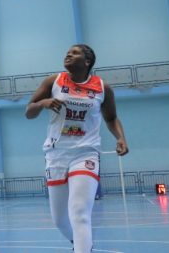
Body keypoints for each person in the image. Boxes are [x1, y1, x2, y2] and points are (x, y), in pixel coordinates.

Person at [25, 44, 129, 253]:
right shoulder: (53, 81)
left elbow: (111, 118)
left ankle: (84, 248)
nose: (68, 54)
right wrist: (43, 103)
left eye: (75, 53)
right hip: (56, 155)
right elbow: (29, 111)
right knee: (60, 220)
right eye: (67, 52)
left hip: (86, 153)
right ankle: (82, 243)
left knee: (80, 212)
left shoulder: (102, 88)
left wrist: (121, 138)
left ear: (87, 61)